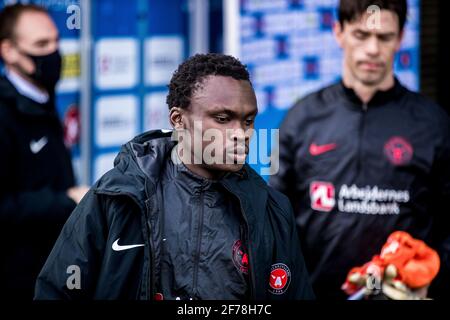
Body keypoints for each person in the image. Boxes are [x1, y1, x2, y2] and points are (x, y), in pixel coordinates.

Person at [34, 53, 314, 300]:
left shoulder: (271, 211)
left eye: (248, 121)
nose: (241, 133)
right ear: (178, 120)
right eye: (222, 118)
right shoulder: (117, 197)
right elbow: (57, 289)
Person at [270, 0, 450, 300]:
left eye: (384, 37)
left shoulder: (433, 124)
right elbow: (275, 221)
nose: (372, 49)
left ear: (401, 38)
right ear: (338, 32)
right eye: (361, 34)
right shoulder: (301, 119)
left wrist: (429, 282)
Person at [0, 4, 89, 299]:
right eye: (41, 44)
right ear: (9, 51)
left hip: (51, 270)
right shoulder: (5, 112)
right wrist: (65, 200)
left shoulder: (41, 98)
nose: (53, 53)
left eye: (55, 42)